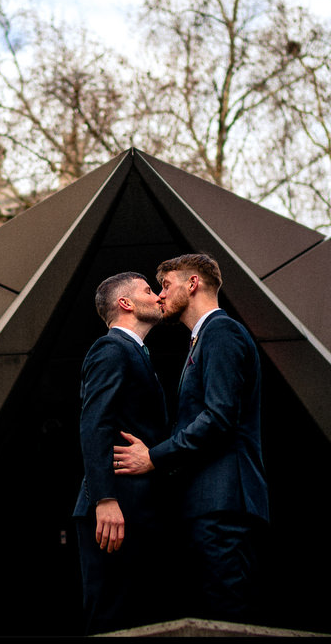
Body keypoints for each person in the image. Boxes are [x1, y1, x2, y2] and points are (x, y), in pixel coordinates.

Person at [113, 252, 269, 623]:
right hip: (211, 503)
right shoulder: (204, 340)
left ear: (193, 284)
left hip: (225, 501)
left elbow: (218, 417)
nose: (160, 295)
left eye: (166, 285)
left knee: (228, 614)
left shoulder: (222, 332)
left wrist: (155, 456)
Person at [72, 272, 169, 634]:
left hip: (138, 508)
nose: (158, 296)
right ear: (126, 304)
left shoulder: (138, 353)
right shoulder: (111, 349)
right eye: (148, 290)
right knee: (111, 620)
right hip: (113, 512)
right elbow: (94, 423)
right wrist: (105, 498)